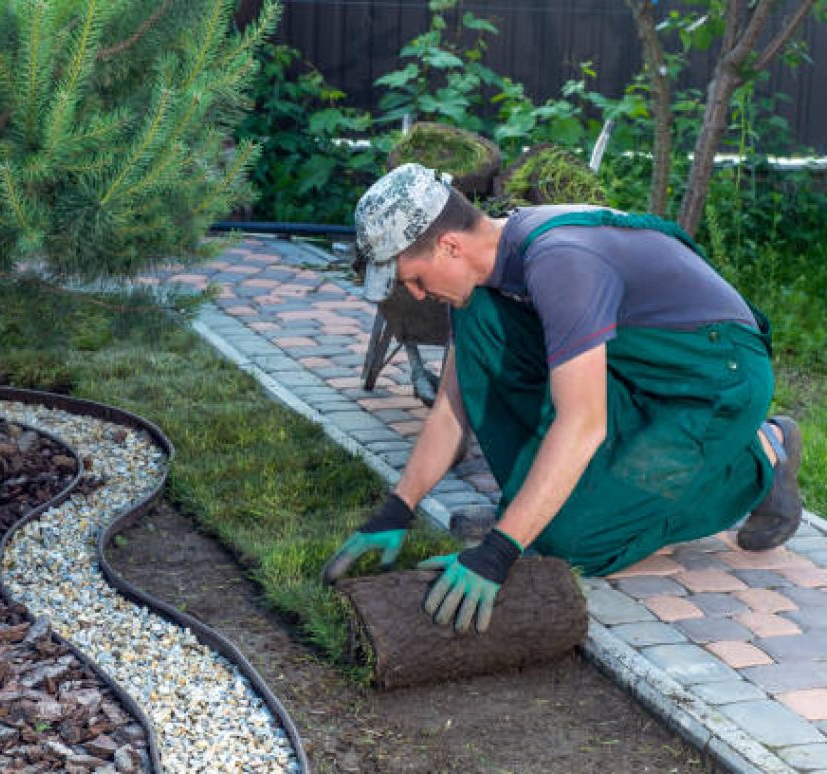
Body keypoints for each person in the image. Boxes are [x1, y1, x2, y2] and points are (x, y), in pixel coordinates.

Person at [322, 163, 803, 636]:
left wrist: (499, 551)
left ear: (449, 245)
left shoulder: (560, 261)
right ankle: (550, 498)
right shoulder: (491, 272)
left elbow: (582, 424)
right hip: (636, 368)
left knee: (569, 542)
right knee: (481, 321)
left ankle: (761, 457)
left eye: (414, 278)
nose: (417, 295)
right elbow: (453, 408)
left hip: (711, 382)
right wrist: (398, 508)